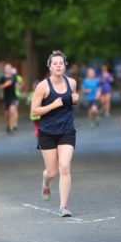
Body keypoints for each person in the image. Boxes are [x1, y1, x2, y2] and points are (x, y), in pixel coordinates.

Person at [31, 50, 79, 217]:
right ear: (50, 67)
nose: (58, 66)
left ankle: (63, 206)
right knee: (52, 172)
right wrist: (52, 105)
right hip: (47, 132)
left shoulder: (72, 83)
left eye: (61, 63)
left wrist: (75, 100)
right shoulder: (42, 86)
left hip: (67, 130)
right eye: (55, 63)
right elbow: (34, 110)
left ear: (64, 66)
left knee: (64, 167)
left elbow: (70, 103)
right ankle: (46, 183)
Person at [0, 63, 19, 133]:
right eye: (7, 68)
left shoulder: (14, 77)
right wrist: (5, 85)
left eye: (9, 68)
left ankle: (12, 126)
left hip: (13, 97)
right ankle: (8, 123)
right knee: (7, 114)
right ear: (4, 69)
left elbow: (17, 84)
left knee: (12, 110)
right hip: (5, 98)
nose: (8, 69)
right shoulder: (2, 78)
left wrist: (18, 86)